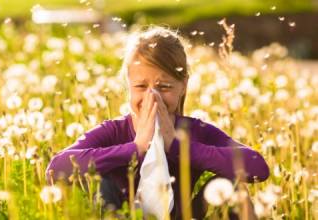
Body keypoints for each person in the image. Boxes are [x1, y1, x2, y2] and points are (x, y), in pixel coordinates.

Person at [46, 26, 270, 219]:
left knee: (235, 188)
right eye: (141, 87)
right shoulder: (113, 131)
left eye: (164, 87)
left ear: (183, 85)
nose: (152, 97)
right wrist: (135, 148)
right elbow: (56, 169)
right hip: (121, 215)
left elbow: (257, 167)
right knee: (100, 183)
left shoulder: (194, 131)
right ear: (128, 84)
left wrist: (177, 145)